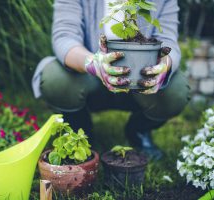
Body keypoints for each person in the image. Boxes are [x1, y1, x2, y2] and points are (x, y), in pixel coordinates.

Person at [32, 0, 190, 160]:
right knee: (55, 78)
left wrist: (165, 64)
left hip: (140, 80)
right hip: (88, 77)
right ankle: (80, 128)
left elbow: (168, 40)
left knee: (176, 91)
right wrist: (93, 63)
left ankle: (138, 130)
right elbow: (64, 37)